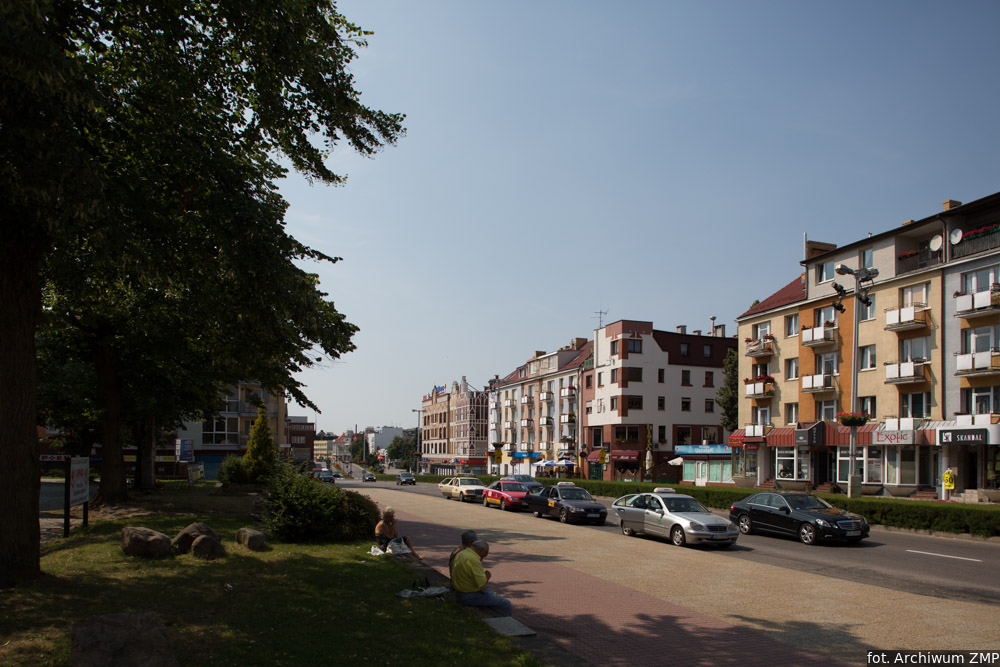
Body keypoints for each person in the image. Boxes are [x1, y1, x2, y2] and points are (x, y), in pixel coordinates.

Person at [451, 538, 512, 616]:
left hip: (459, 592)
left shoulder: (462, 554)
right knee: (506, 603)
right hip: (468, 596)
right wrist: (487, 576)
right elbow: (481, 584)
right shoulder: (473, 560)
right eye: (484, 555)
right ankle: (506, 622)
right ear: (481, 550)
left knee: (491, 594)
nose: (482, 559)